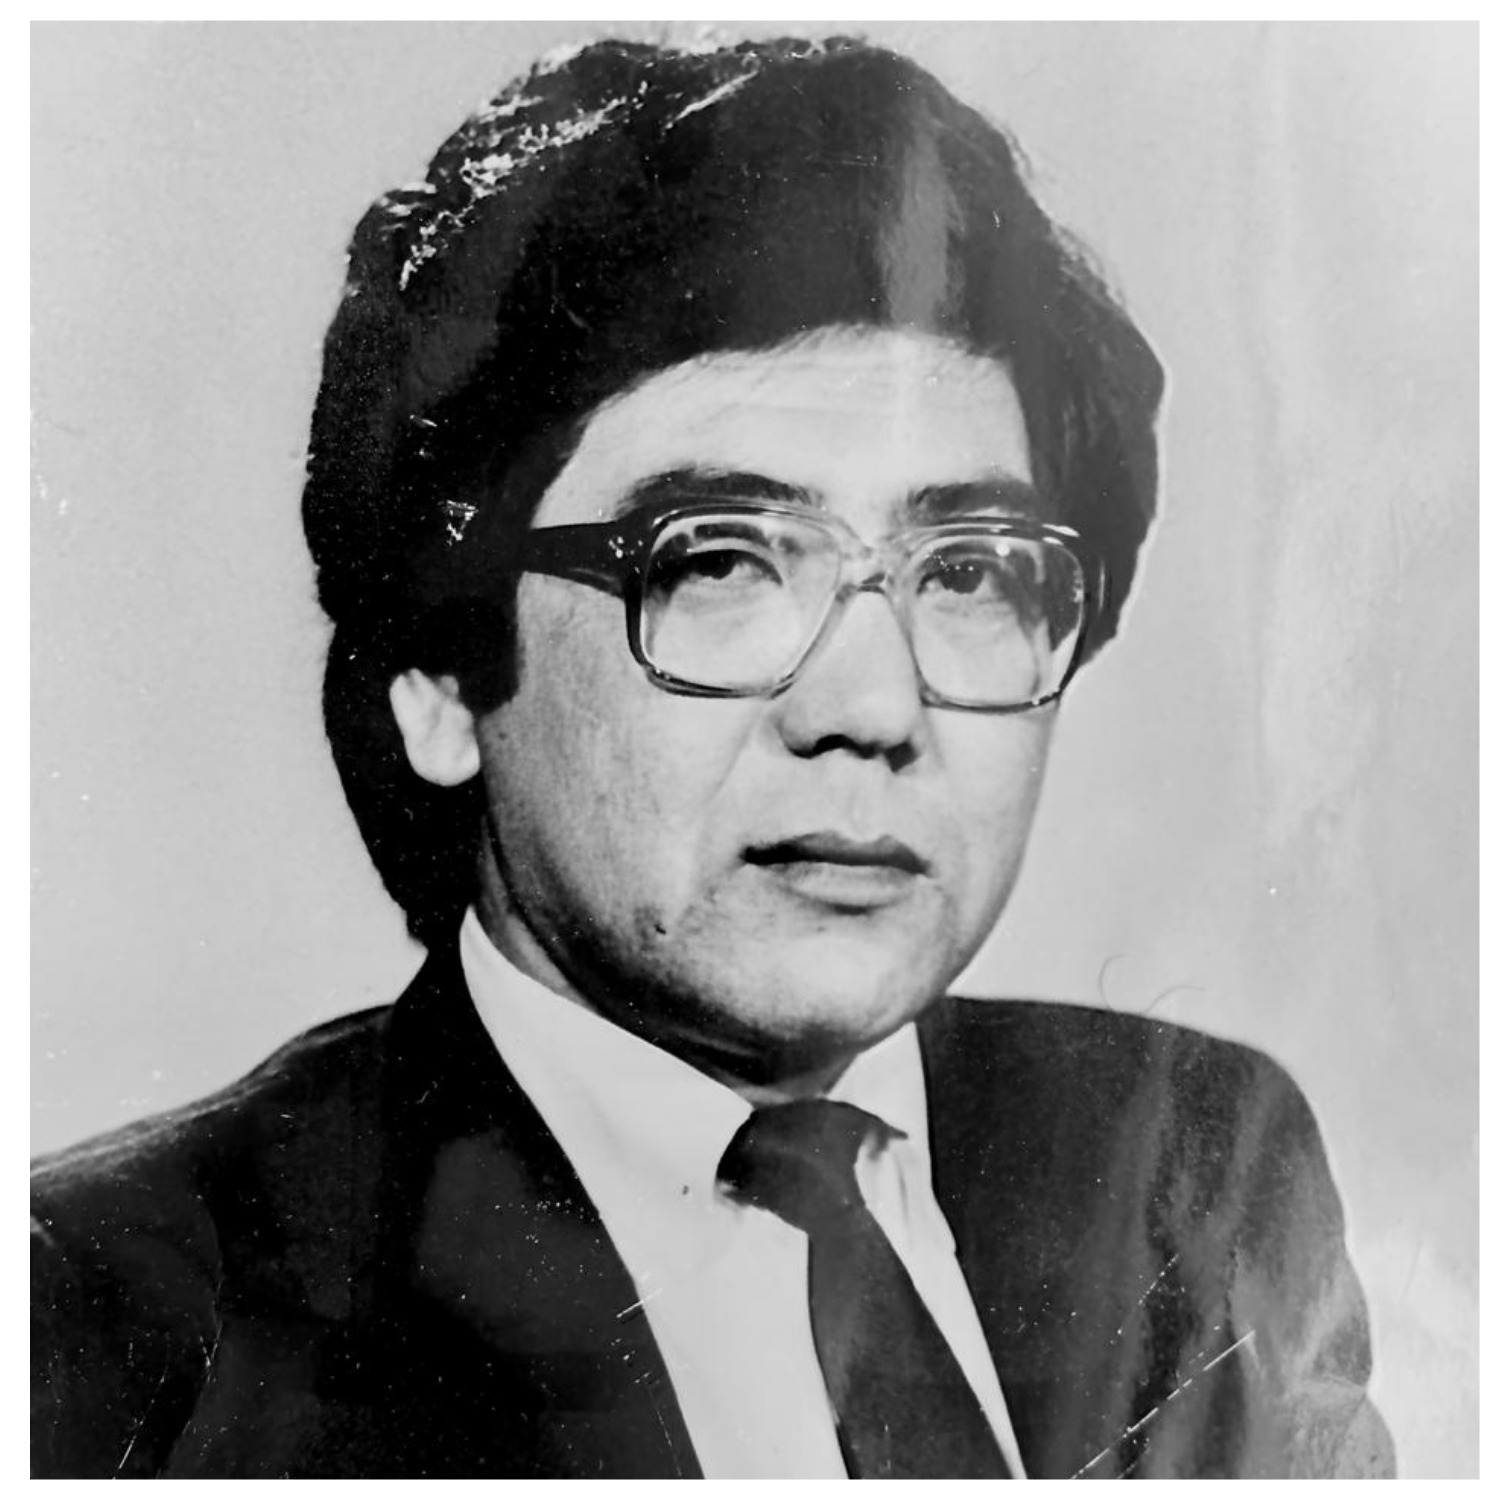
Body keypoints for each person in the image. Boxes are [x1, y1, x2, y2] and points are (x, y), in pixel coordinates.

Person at [30, 36, 1394, 1479]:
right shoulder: (111, 1326)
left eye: (969, 571)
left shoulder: (1194, 1161)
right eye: (719, 561)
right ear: (439, 674)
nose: (872, 708)